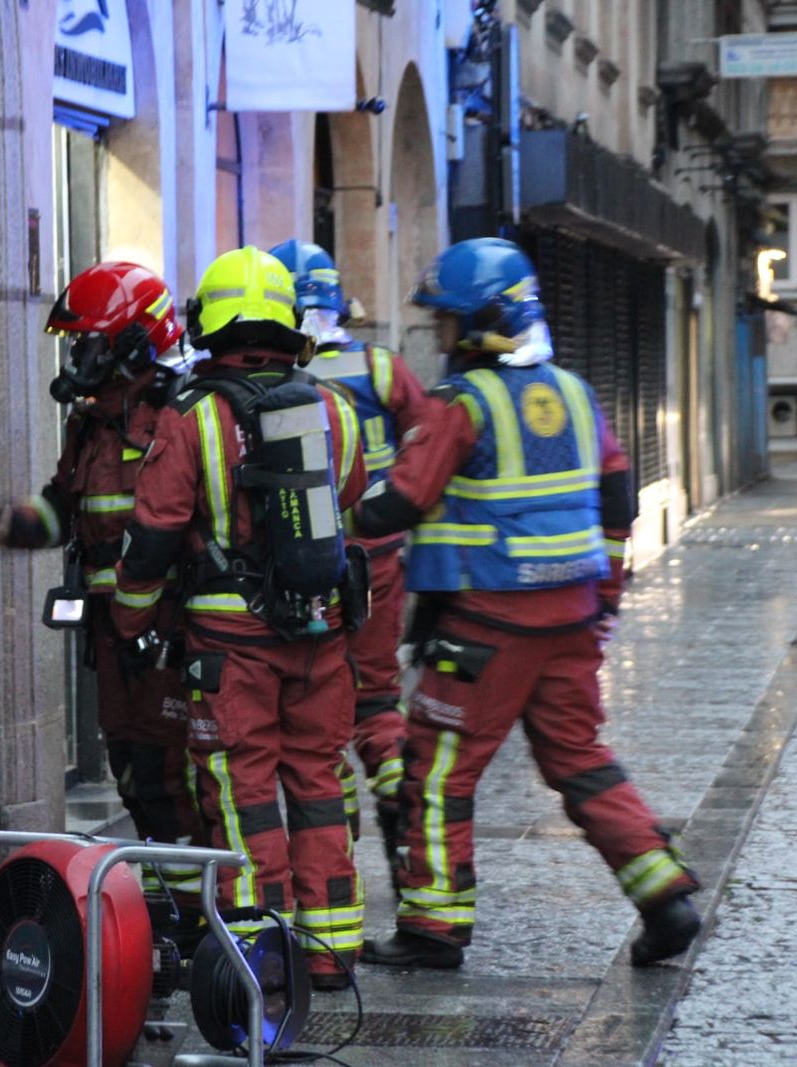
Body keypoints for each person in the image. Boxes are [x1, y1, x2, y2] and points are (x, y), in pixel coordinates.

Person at [351, 238, 701, 970]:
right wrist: (603, 599)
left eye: (446, 322)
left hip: (484, 624)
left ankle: (432, 928)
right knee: (581, 758)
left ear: (479, 322)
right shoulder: (575, 392)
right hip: (569, 616)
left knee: (437, 771)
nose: (439, 336)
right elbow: (615, 502)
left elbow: (402, 501)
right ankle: (664, 892)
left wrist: (328, 521)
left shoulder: (460, 403)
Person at [112, 246, 369, 990]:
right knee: (319, 781)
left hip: (230, 649)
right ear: (289, 326)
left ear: (211, 327)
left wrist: (130, 626)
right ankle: (331, 947)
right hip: (322, 634)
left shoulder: (190, 417)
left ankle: (262, 953)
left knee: (240, 789)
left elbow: (154, 534)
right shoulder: (336, 408)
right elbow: (350, 493)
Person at [0, 261, 205, 905]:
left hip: (170, 636)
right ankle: (173, 899)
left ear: (131, 345)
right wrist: (14, 523)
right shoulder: (91, 426)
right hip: (115, 636)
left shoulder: (178, 419)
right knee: (132, 770)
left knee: (173, 774)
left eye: (90, 343)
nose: (80, 358)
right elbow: (62, 507)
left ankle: (200, 907)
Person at [269, 238, 429, 883]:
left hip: (304, 566)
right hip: (378, 561)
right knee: (377, 696)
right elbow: (427, 443)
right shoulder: (383, 369)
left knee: (314, 710)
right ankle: (395, 788)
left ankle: (334, 850)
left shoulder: (271, 378)